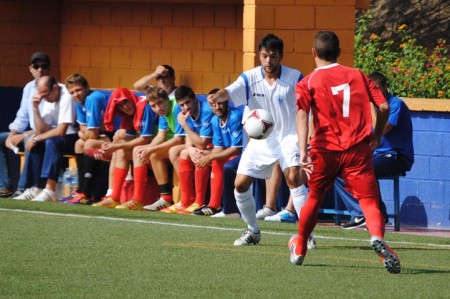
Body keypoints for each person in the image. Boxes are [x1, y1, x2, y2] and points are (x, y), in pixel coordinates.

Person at [292, 30, 400, 274]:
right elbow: (383, 105)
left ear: (313, 53)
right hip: (357, 149)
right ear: (339, 53)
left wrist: (302, 152)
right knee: (369, 200)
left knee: (314, 197)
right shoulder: (358, 75)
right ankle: (376, 237)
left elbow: (301, 113)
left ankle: (300, 247)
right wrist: (378, 133)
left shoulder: (307, 81)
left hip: (325, 149)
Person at [208, 33, 309, 246]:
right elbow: (229, 91)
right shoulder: (249, 78)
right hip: (262, 140)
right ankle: (253, 230)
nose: (268, 61)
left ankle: (307, 235)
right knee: (240, 184)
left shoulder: (295, 78)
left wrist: (309, 135)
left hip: (288, 136)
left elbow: (309, 106)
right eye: (264, 56)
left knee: (293, 177)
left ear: (280, 56)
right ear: (259, 55)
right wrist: (218, 96)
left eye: (273, 56)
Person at [335, 71, 414, 229]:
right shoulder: (363, 106)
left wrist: (371, 105)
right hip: (374, 154)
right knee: (338, 170)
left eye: (377, 88)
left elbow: (382, 130)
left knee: (366, 169)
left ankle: (374, 214)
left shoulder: (395, 104)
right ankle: (361, 213)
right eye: (370, 89)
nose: (373, 92)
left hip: (397, 155)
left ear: (385, 88)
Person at [91, 87, 158, 209]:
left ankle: (137, 200)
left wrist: (116, 145)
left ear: (131, 98)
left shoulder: (145, 107)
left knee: (133, 150)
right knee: (121, 151)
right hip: (152, 143)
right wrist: (110, 147)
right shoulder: (127, 115)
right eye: (121, 105)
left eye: (126, 102)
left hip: (160, 143)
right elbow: (130, 138)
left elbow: (145, 139)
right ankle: (114, 197)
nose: (125, 107)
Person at [0, 52, 50, 199]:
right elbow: (22, 115)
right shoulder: (29, 87)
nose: (40, 69)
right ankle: (4, 187)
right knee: (1, 139)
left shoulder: (53, 88)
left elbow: (49, 126)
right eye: (36, 66)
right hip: (32, 132)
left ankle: (23, 188)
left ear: (48, 69)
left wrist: (24, 135)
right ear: (30, 68)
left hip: (48, 135)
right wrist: (13, 133)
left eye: (43, 66)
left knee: (31, 140)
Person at [22, 75, 78, 202]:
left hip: (73, 136)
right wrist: (35, 108)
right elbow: (42, 130)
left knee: (50, 142)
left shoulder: (66, 96)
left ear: (55, 88)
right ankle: (35, 187)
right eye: (42, 96)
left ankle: (50, 190)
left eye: (46, 95)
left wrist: (37, 138)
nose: (45, 99)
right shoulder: (48, 99)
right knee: (36, 140)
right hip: (59, 137)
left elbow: (61, 130)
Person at [191, 88, 244, 216]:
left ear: (226, 102)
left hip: (243, 153)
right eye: (213, 104)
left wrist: (211, 157)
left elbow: (236, 149)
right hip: (231, 153)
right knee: (203, 157)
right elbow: (219, 147)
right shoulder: (215, 120)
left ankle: (221, 206)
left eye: (220, 103)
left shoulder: (235, 116)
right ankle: (208, 204)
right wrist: (208, 155)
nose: (217, 107)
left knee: (220, 162)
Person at [161, 85, 214, 214]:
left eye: (187, 102)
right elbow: (190, 139)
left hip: (218, 147)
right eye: (182, 105)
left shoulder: (206, 110)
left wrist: (184, 124)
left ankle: (199, 201)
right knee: (181, 152)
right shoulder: (186, 113)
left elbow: (202, 144)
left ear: (195, 99)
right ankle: (186, 200)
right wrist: (190, 148)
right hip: (204, 145)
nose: (185, 108)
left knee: (198, 153)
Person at [59, 73, 110, 204]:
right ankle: (81, 189)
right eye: (72, 92)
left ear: (87, 88)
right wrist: (83, 134)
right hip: (101, 135)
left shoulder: (92, 99)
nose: (76, 94)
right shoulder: (78, 101)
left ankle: (86, 193)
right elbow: (82, 129)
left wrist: (84, 134)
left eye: (78, 90)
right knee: (79, 144)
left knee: (89, 143)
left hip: (115, 136)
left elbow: (91, 135)